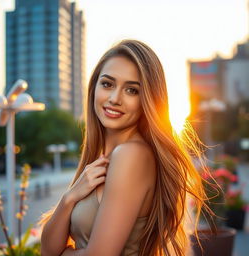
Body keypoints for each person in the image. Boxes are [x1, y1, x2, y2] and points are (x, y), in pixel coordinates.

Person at [40, 39, 209, 256]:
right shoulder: (103, 161)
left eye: (131, 90)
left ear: (148, 99)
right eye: (107, 84)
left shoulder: (131, 155)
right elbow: (47, 249)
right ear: (94, 87)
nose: (114, 99)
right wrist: (69, 198)